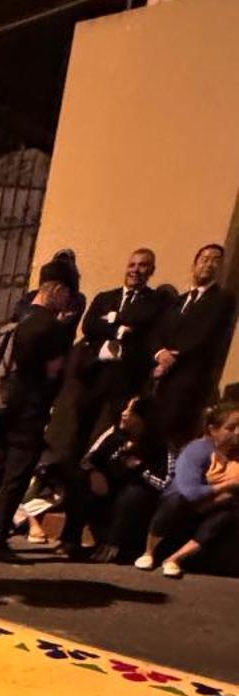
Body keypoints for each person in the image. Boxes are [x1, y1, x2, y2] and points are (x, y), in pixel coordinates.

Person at [0, 264, 75, 560]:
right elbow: (53, 372)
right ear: (56, 290)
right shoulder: (52, 328)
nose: (67, 301)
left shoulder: (18, 318)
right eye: (66, 293)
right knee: (15, 479)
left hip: (5, 405)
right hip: (30, 411)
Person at [46, 248, 163, 472]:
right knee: (79, 428)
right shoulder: (105, 297)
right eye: (132, 265)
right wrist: (120, 328)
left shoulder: (155, 301)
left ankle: (97, 478)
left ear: (151, 270)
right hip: (94, 374)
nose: (136, 270)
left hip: (125, 378)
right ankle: (69, 478)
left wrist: (111, 320)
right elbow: (89, 326)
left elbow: (144, 323)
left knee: (112, 433)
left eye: (143, 265)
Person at [58, 396, 172, 562]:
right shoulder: (114, 437)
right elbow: (88, 460)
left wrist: (140, 469)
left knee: (135, 493)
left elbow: (164, 483)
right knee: (78, 479)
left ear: (143, 418)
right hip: (107, 494)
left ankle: (113, 545)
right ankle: (70, 539)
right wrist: (93, 472)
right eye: (124, 409)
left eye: (130, 411)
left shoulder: (159, 447)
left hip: (134, 505)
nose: (124, 414)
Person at [134, 401, 239, 578]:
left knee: (227, 513)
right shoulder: (198, 449)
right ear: (213, 430)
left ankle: (174, 559)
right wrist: (228, 485)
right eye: (231, 428)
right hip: (183, 506)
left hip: (213, 507)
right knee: (175, 498)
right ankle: (148, 552)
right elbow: (189, 491)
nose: (237, 433)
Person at [148, 244, 236, 449]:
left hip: (188, 379)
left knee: (170, 437)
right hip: (160, 376)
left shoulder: (222, 300)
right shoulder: (178, 301)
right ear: (194, 264)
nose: (209, 264)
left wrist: (172, 358)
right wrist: (160, 353)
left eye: (215, 260)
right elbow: (158, 331)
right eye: (204, 259)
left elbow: (204, 335)